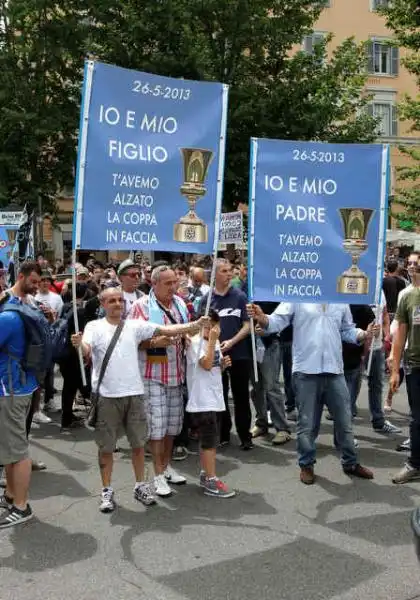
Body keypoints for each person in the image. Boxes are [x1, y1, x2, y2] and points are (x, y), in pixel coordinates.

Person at [72, 286, 207, 512]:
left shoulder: (134, 326)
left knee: (137, 444)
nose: (117, 303)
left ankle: (140, 485)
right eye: (111, 300)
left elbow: (168, 329)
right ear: (102, 304)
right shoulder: (93, 326)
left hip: (134, 394)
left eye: (119, 300)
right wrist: (79, 345)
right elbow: (86, 350)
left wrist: (195, 325)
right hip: (106, 396)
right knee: (106, 447)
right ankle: (107, 491)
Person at [247, 302, 378, 485]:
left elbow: (347, 330)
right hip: (306, 370)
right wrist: (262, 318)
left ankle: (350, 462)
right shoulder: (300, 294)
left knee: (345, 420)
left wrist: (364, 334)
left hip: (334, 370)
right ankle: (306, 464)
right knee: (307, 423)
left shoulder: (339, 300)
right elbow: (277, 321)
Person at [129, 265, 192, 497]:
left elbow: (186, 334)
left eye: (175, 282)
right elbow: (131, 341)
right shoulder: (140, 307)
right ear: (153, 284)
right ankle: (156, 476)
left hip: (177, 374)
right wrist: (154, 343)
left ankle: (166, 467)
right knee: (157, 428)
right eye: (167, 283)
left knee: (173, 427)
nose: (173, 287)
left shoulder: (180, 304)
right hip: (152, 376)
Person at [0, 263, 43, 527]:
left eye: (39, 281)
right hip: (21, 386)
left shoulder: (8, 316)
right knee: (9, 447)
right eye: (34, 281)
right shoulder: (24, 307)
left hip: (11, 389)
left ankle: (21, 506)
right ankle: (11, 495)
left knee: (17, 451)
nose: (37, 286)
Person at [199, 259, 253, 450]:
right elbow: (201, 328)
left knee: (241, 397)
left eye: (230, 270)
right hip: (216, 356)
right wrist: (213, 345)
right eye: (224, 271)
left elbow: (248, 325)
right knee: (219, 396)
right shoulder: (206, 300)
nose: (229, 274)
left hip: (240, 354)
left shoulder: (240, 296)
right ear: (214, 275)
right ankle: (223, 434)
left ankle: (245, 435)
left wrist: (232, 341)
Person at [186, 309, 236, 498]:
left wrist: (223, 364)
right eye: (207, 326)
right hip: (201, 400)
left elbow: (213, 368)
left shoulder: (211, 344)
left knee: (212, 439)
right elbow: (205, 364)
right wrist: (213, 341)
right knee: (209, 440)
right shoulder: (196, 343)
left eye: (215, 325)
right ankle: (211, 479)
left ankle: (206, 474)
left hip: (214, 399)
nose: (212, 329)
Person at [390, 258, 420, 484]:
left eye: (418, 263)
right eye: (410, 263)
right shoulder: (408, 296)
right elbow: (400, 335)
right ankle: (415, 464)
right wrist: (394, 371)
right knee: (417, 419)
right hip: (415, 365)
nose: (413, 266)